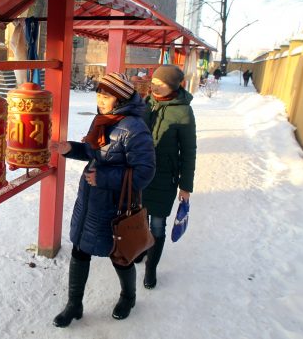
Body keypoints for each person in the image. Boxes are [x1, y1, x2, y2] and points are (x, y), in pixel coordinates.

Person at [49, 72, 156, 327]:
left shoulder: (135, 128)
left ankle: (128, 297)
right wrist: (70, 149)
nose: (100, 98)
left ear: (119, 98)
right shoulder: (103, 120)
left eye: (106, 94)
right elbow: (91, 150)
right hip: (89, 202)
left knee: (120, 255)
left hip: (115, 207)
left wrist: (105, 178)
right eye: (98, 92)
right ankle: (74, 305)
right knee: (79, 249)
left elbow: (145, 172)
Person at [141, 65, 197, 289]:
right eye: (152, 81)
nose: (154, 85)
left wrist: (186, 186)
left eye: (160, 83)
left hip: (165, 176)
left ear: (173, 86)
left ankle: (151, 268)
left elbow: (189, 151)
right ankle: (140, 250)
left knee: (157, 224)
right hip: (141, 172)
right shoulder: (145, 103)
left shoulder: (183, 111)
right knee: (139, 218)